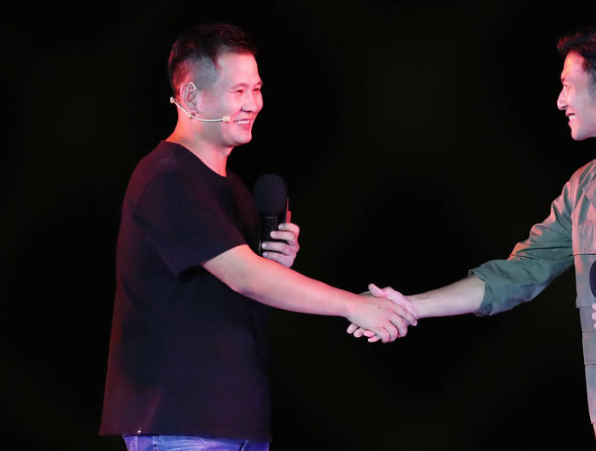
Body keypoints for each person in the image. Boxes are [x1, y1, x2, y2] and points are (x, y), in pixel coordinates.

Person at [351, 24, 596, 450]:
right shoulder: (583, 189)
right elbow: (519, 273)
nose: (561, 101)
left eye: (568, 86)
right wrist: (409, 306)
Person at [100, 23, 417, 451]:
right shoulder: (167, 177)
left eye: (257, 89)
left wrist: (274, 265)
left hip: (236, 424)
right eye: (238, 91)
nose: (252, 104)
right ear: (191, 96)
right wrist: (354, 305)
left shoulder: (231, 187)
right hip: (181, 423)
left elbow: (243, 282)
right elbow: (244, 276)